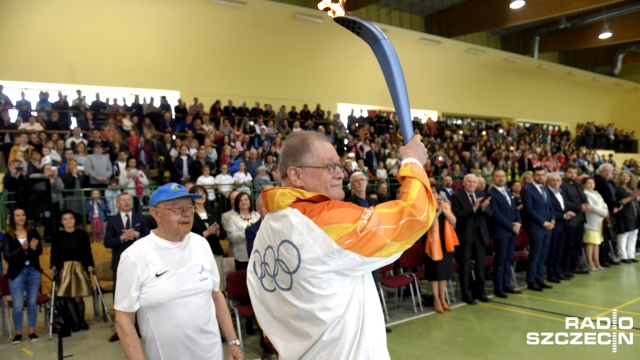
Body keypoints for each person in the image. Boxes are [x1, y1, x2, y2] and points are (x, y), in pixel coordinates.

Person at [247, 132, 435, 359]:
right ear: (296, 175)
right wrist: (413, 163)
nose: (340, 173)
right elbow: (413, 216)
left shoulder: (266, 231)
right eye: (329, 167)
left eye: (339, 164)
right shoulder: (321, 221)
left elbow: (267, 315)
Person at [114, 183, 243, 360]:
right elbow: (123, 320)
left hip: (212, 354)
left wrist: (232, 341)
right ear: (155, 213)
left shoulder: (201, 244)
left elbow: (216, 296)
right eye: (176, 209)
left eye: (189, 207)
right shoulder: (135, 256)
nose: (186, 213)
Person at [103, 192, 150, 342]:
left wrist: (137, 235)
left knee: (142, 293)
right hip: (120, 263)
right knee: (122, 296)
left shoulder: (141, 218)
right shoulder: (112, 221)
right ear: (117, 204)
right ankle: (122, 329)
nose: (126, 202)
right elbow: (107, 242)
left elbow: (150, 237)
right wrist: (121, 238)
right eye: (123, 200)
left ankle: (140, 326)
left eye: (128, 200)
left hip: (142, 262)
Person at [2, 208, 42, 344]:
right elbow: (7, 256)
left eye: (23, 215)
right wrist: (22, 249)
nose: (21, 218)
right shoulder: (8, 235)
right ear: (13, 218)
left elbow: (39, 251)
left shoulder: (32, 232)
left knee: (32, 302)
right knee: (18, 305)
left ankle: (32, 331)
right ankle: (18, 332)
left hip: (33, 271)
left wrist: (34, 248)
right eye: (17, 215)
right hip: (17, 272)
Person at [451, 173, 492, 304]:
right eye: (469, 182)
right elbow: (458, 215)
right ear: (464, 183)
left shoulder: (481, 194)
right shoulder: (457, 196)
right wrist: (473, 208)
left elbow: (490, 214)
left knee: (481, 265)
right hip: (465, 235)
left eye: (474, 182)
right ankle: (466, 294)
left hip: (480, 234)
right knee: (465, 266)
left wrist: (484, 208)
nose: (472, 184)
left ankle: (480, 292)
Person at [50, 210, 94, 332]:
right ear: (61, 222)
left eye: (71, 218)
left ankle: (82, 320)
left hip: (79, 268)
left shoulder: (82, 234)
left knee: (78, 297)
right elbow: (54, 253)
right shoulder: (58, 236)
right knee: (68, 297)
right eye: (65, 219)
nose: (68, 221)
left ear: (75, 220)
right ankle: (75, 323)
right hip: (64, 269)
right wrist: (53, 266)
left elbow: (87, 251)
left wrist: (90, 264)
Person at [423, 185, 458, 313]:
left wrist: (444, 211)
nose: (433, 194)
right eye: (430, 192)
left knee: (443, 274)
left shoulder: (445, 205)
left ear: (438, 193)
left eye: (434, 192)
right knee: (434, 274)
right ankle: (436, 299)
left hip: (445, 242)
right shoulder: (425, 207)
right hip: (431, 244)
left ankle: (443, 299)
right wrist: (437, 213)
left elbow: (454, 221)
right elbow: (428, 225)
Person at [488, 169, 522, 298]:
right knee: (500, 260)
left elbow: (515, 209)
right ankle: (499, 287)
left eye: (503, 176)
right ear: (493, 178)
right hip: (501, 232)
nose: (501, 178)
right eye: (498, 176)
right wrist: (511, 226)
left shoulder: (508, 192)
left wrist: (518, 222)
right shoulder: (491, 193)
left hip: (512, 231)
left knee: (509, 259)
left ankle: (506, 284)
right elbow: (496, 214)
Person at [521, 167, 555, 291]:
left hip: (548, 227)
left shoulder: (545, 189)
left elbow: (550, 207)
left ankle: (539, 279)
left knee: (543, 255)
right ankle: (531, 281)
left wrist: (552, 219)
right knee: (535, 255)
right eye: (538, 175)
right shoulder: (527, 190)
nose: (540, 177)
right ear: (534, 176)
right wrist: (543, 222)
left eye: (542, 175)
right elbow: (530, 210)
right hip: (536, 227)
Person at [189, 185, 227, 291]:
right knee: (202, 283)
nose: (201, 195)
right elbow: (187, 236)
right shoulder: (189, 213)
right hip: (197, 253)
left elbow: (224, 235)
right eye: (198, 193)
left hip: (215, 251)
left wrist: (218, 232)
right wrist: (206, 232)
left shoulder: (213, 211)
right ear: (192, 197)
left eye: (203, 193)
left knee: (219, 284)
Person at [560, 164, 591, 277]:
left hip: (580, 218)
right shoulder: (562, 184)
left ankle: (575, 265)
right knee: (568, 244)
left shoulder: (578, 184)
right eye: (570, 172)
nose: (573, 175)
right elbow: (564, 202)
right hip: (570, 219)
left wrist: (587, 205)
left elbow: (583, 198)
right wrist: (580, 208)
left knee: (577, 244)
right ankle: (565, 267)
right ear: (565, 173)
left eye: (574, 173)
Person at [545, 174, 575, 283]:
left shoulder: (562, 192)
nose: (556, 182)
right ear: (548, 181)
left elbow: (564, 206)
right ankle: (551, 273)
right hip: (553, 225)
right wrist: (563, 216)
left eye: (558, 180)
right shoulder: (546, 192)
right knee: (552, 251)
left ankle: (558, 271)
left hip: (563, 226)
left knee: (559, 251)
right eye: (553, 180)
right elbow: (549, 210)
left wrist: (567, 212)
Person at [226, 192, 259, 271]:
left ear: (250, 201)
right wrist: (246, 231)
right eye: (241, 200)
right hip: (242, 257)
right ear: (237, 203)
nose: (244, 202)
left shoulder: (257, 215)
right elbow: (232, 238)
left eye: (246, 199)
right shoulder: (233, 219)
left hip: (258, 255)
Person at [583, 177, 609, 271]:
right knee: (590, 242)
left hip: (599, 221)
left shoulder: (597, 193)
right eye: (588, 183)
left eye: (592, 183)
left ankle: (597, 261)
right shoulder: (585, 193)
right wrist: (604, 212)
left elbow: (604, 204)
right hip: (591, 220)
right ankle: (590, 263)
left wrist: (605, 210)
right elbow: (591, 207)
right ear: (584, 184)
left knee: (597, 243)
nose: (591, 185)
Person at [614, 170, 640, 263]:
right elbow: (619, 202)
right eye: (623, 176)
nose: (625, 178)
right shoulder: (617, 189)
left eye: (627, 176)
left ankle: (631, 254)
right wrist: (631, 197)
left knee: (633, 234)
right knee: (623, 234)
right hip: (624, 213)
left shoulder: (631, 188)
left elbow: (636, 199)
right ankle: (623, 255)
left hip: (634, 213)